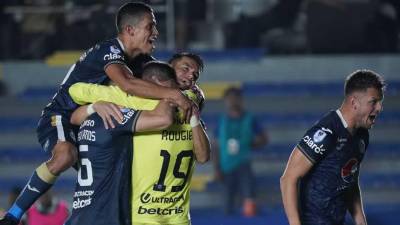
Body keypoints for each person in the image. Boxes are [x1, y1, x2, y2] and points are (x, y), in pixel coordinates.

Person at [0, 3, 193, 225]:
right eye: (151, 27)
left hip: (95, 124)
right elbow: (128, 85)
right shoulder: (109, 51)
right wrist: (176, 95)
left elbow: (163, 78)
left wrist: (191, 90)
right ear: (130, 30)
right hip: (61, 116)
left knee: (106, 183)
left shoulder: (141, 62)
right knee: (65, 155)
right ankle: (13, 215)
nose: (156, 33)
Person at [68, 60, 211, 225]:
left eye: (194, 75)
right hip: (153, 217)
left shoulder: (133, 101)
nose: (190, 77)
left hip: (164, 217)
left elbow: (75, 91)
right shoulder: (183, 103)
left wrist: (95, 105)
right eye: (185, 69)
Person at [280, 70, 385, 225]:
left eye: (380, 102)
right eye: (373, 102)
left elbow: (350, 178)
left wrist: (360, 219)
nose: (379, 108)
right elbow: (288, 179)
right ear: (354, 103)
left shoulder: (362, 136)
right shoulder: (326, 133)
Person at [212, 87, 268, 217]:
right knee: (227, 205)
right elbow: (215, 146)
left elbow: (264, 139)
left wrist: (249, 144)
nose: (233, 102)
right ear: (225, 101)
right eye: (229, 99)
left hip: (244, 164)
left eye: (235, 98)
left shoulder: (250, 118)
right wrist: (216, 168)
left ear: (241, 100)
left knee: (249, 203)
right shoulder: (222, 121)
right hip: (226, 167)